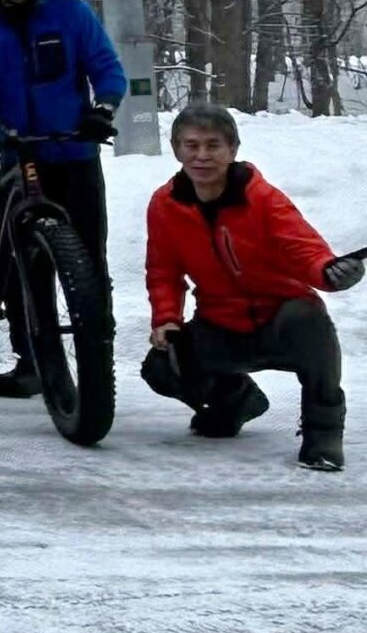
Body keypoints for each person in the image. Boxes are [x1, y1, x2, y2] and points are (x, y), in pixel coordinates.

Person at [0, 0, 128, 400]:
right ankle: (31, 361)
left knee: (89, 260)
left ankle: (98, 361)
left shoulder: (71, 15)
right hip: (18, 156)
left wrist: (102, 109)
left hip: (74, 152)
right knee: (20, 264)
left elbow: (107, 70)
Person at [142, 104, 355, 472]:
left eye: (213, 145)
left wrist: (328, 272)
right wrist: (167, 319)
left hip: (280, 320)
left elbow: (303, 247)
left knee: (311, 320)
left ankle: (323, 435)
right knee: (161, 367)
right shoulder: (165, 205)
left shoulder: (263, 198)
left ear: (233, 149)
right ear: (176, 150)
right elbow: (163, 270)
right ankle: (236, 400)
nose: (202, 155)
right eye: (191, 145)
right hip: (220, 324)